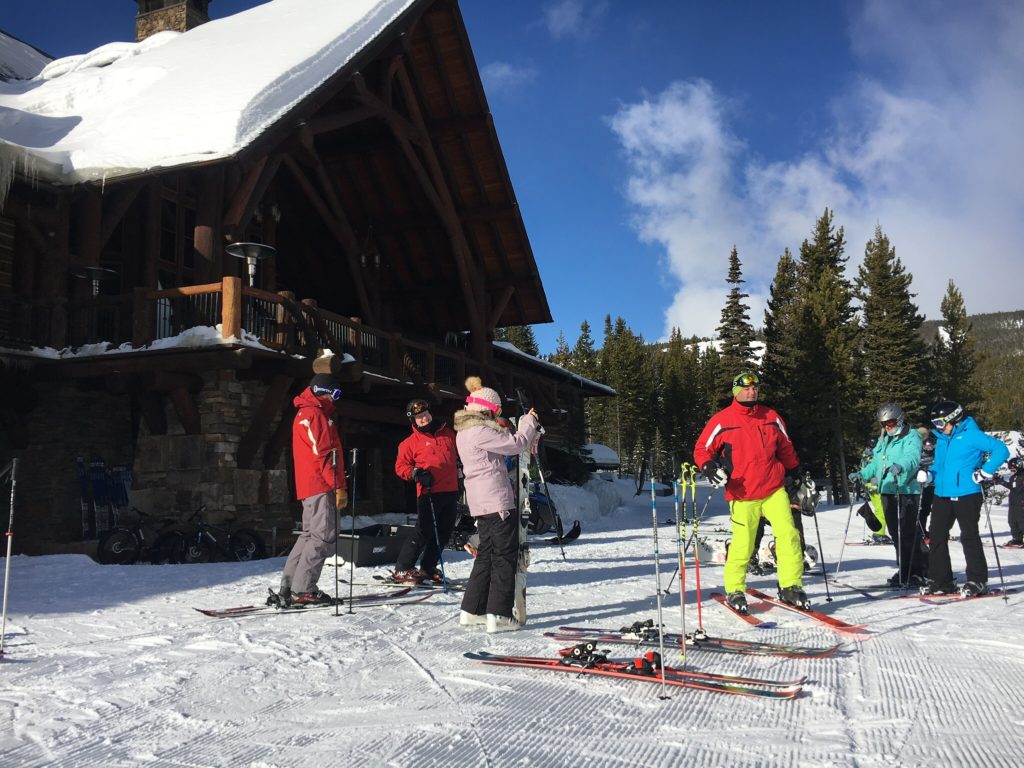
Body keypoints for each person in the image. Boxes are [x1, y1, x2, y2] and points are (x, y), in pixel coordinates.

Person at [693, 370, 806, 613]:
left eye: (755, 387)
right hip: (742, 494)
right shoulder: (722, 420)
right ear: (736, 391)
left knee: (789, 535)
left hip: (774, 489)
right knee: (743, 544)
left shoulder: (771, 416)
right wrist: (708, 466)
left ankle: (790, 585)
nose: (752, 391)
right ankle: (735, 589)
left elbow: (785, 447)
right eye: (746, 388)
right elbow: (701, 449)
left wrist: (797, 472)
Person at [454, 376, 539, 633]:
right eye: (495, 411)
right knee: (504, 556)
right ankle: (499, 614)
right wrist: (529, 422)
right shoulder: (480, 431)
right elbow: (516, 444)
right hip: (496, 500)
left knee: (487, 556)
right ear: (485, 409)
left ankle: (473, 609)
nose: (496, 415)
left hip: (481, 502)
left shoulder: (465, 431)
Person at [917, 400, 1009, 597]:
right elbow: (940, 465)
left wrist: (985, 472)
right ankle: (942, 581)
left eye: (940, 423)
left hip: (967, 492)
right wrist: (930, 474)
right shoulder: (942, 439)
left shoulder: (972, 435)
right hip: (942, 493)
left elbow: (1001, 450)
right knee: (936, 535)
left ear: (954, 419)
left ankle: (978, 581)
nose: (938, 428)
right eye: (935, 424)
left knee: (968, 536)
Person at [279, 373, 347, 606]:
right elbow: (326, 455)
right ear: (322, 391)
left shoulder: (304, 413)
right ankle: (303, 588)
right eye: (335, 394)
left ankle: (290, 585)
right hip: (321, 484)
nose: (335, 400)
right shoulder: (314, 414)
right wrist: (338, 487)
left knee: (309, 535)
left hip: (309, 486)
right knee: (322, 536)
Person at [854, 402, 925, 588]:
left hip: (906, 490)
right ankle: (905, 569)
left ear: (899, 419)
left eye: (890, 423)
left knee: (908, 532)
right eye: (884, 424)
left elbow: (912, 457)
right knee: (895, 533)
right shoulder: (883, 440)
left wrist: (901, 466)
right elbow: (876, 465)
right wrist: (862, 474)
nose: (887, 427)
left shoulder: (912, 436)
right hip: (887, 490)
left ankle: (917, 571)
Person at [392, 398, 459, 583]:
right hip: (429, 492)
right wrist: (416, 473)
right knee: (423, 531)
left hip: (451, 490)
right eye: (419, 417)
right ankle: (403, 568)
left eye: (425, 414)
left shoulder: (448, 434)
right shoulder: (409, 443)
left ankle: (427, 568)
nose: (424, 419)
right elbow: (400, 467)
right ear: (413, 421)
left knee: (444, 532)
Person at [995, 456, 1023, 547]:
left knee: (1022, 522)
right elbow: (1013, 488)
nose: (1012, 471)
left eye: (1013, 469)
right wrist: (1000, 481)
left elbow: (1018, 489)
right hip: (1013, 503)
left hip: (1021, 503)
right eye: (1011, 469)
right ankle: (1017, 540)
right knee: (1012, 521)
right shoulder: (1013, 477)